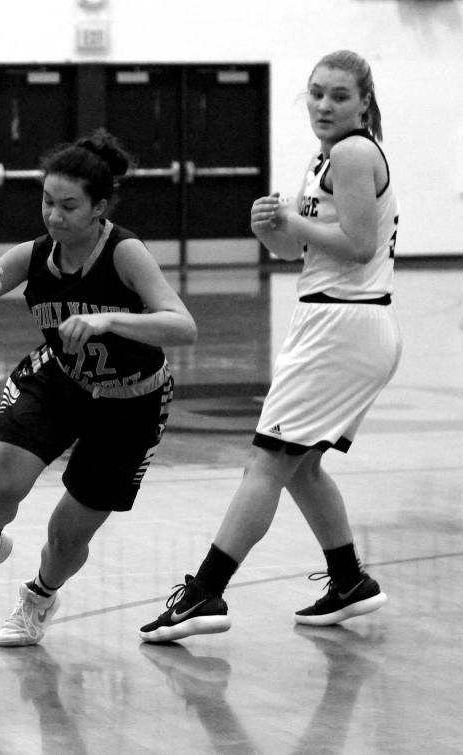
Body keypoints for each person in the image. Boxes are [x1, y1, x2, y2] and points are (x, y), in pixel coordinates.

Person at [139, 49, 401, 643]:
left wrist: (292, 219)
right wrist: (273, 232)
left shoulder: (355, 152)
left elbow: (359, 245)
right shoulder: (325, 158)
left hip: (344, 325)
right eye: (315, 93)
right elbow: (307, 252)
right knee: (301, 465)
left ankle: (205, 592)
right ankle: (348, 580)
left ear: (364, 101)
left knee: (268, 461)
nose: (324, 104)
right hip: (338, 321)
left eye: (338, 95)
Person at [0, 128, 198, 646]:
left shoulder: (125, 253)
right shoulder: (34, 255)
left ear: (100, 207)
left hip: (133, 399)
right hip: (61, 380)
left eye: (69, 206)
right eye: (47, 202)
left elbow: (183, 326)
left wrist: (109, 321)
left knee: (66, 533)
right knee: (0, 485)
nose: (54, 216)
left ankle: (38, 598)